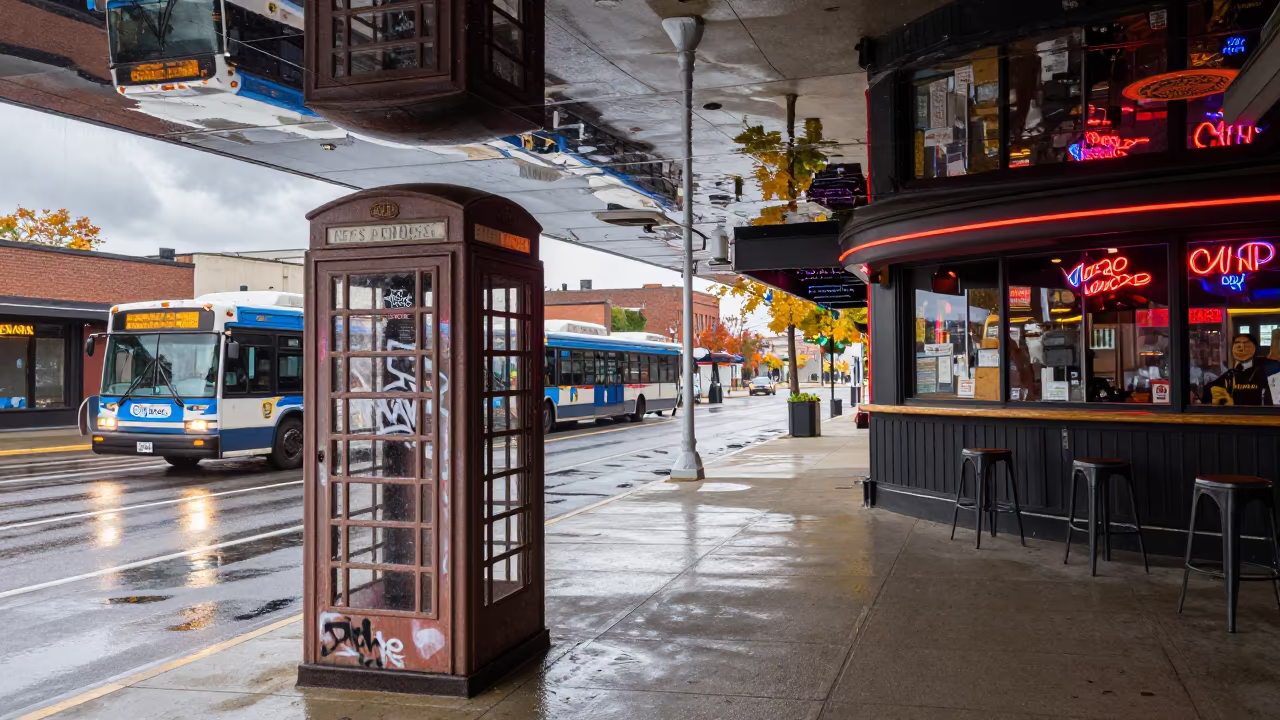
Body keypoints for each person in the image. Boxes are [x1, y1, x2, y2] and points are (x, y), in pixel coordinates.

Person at [1202, 333, 1280, 406]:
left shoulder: (1268, 369)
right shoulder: (1231, 374)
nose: (1241, 349)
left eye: (1246, 345)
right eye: (1237, 345)